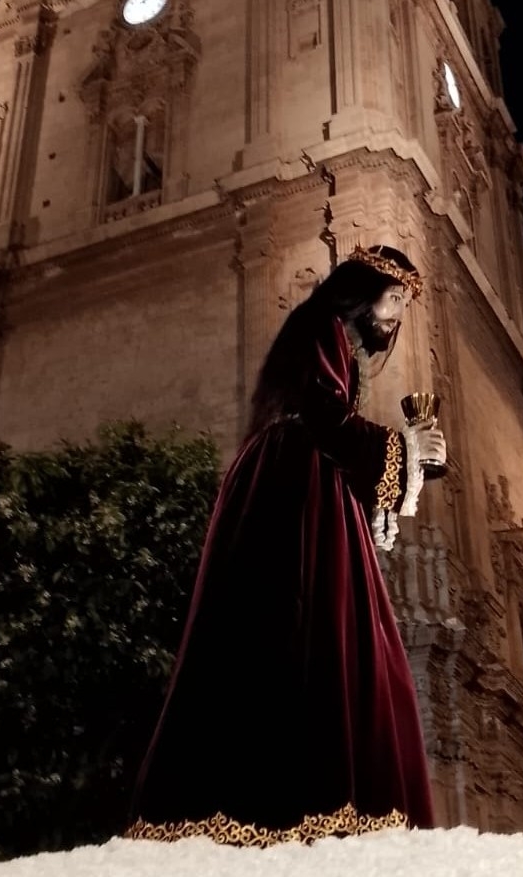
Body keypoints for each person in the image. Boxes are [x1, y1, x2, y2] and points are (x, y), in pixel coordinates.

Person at [125, 245, 446, 846]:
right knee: (307, 632)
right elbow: (323, 421)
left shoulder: (324, 336)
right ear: (362, 288)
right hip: (292, 492)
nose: (396, 316)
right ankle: (304, 800)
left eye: (403, 305)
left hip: (302, 488)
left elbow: (333, 434)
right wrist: (404, 447)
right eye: (394, 298)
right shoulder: (320, 326)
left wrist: (392, 481)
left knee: (318, 638)